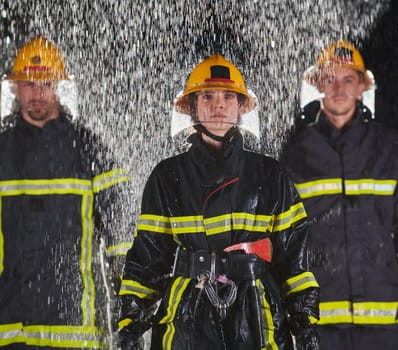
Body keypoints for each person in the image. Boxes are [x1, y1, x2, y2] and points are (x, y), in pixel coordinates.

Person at [117, 54, 320, 350]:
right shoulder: (167, 176)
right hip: (187, 317)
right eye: (207, 96)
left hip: (257, 317)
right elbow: (147, 257)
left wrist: (305, 321)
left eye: (228, 96)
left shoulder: (271, 175)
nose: (218, 105)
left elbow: (294, 258)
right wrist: (131, 323)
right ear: (192, 107)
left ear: (240, 107)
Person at [281, 40, 398, 350]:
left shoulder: (393, 149)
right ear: (318, 86)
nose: (339, 88)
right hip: (320, 321)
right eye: (330, 78)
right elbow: (285, 235)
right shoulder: (295, 156)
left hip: (382, 316)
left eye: (349, 79)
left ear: (362, 87)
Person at [0, 36, 131, 348]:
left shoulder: (90, 151)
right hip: (10, 331)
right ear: (15, 88)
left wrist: (128, 321)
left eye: (45, 82)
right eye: (28, 83)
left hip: (77, 332)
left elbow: (122, 247)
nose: (37, 92)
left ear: (59, 85)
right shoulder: (2, 152)